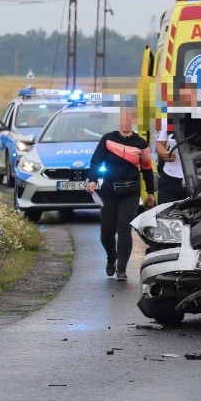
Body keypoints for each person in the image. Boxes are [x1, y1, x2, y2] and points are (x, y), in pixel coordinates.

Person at [85, 107, 156, 281]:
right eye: (123, 118)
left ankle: (122, 269)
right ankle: (112, 257)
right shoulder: (108, 139)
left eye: (128, 118)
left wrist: (150, 192)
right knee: (106, 232)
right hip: (109, 191)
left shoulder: (140, 143)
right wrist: (92, 179)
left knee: (124, 229)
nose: (125, 122)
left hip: (130, 193)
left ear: (133, 121)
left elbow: (147, 169)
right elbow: (96, 161)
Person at [155, 123, 187, 204]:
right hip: (169, 177)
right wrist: (164, 153)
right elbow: (160, 144)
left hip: (197, 177)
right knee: (165, 212)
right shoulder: (169, 119)